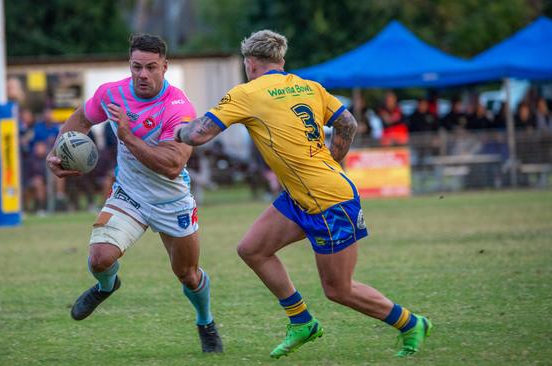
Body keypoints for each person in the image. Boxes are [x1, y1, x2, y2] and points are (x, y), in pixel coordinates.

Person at [173, 30, 431, 359]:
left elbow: (198, 134)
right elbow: (347, 123)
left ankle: (411, 323)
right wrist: (333, 159)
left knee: (339, 289)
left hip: (329, 201)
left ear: (249, 63)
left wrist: (173, 130)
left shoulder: (247, 93)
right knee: (252, 249)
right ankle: (301, 321)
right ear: (281, 61)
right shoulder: (309, 86)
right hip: (303, 196)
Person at [46, 33, 222, 353]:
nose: (142, 74)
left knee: (188, 274)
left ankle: (205, 321)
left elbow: (172, 164)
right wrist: (59, 150)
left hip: (172, 199)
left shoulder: (178, 107)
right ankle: (107, 285)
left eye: (151, 67)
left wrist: (127, 136)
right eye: (136, 67)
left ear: (164, 67)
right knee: (99, 258)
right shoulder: (111, 94)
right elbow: (81, 119)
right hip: (129, 193)